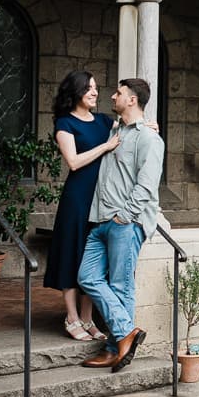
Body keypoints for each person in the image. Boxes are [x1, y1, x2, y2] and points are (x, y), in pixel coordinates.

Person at [78, 78, 163, 373]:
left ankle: (115, 348)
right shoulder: (113, 129)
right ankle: (126, 333)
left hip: (124, 222)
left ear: (132, 100)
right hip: (99, 219)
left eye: (118, 93)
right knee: (87, 277)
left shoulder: (149, 138)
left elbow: (147, 185)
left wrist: (125, 216)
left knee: (120, 286)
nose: (112, 96)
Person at [46, 71, 119, 341]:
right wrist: (106, 146)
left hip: (101, 199)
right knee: (71, 252)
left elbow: (129, 130)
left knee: (94, 258)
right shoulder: (65, 123)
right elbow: (74, 162)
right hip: (77, 199)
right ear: (76, 91)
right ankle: (72, 317)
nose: (94, 92)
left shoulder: (104, 121)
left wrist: (149, 127)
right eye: (88, 88)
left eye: (96, 88)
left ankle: (88, 318)